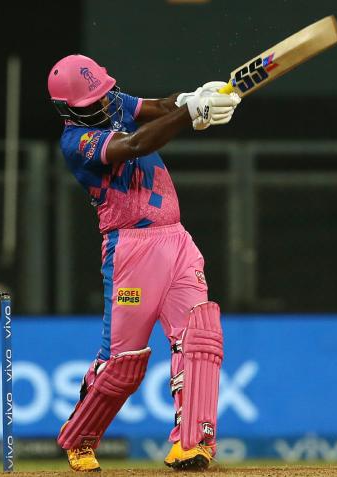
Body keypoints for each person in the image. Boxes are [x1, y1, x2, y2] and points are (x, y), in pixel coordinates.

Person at [48, 54, 240, 472]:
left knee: (200, 337)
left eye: (103, 94)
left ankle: (193, 444)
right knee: (124, 363)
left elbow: (158, 108)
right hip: (131, 251)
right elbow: (136, 144)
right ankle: (80, 437)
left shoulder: (113, 101)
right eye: (93, 101)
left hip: (176, 239)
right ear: (68, 109)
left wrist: (193, 98)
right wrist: (188, 114)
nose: (104, 104)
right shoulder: (75, 142)